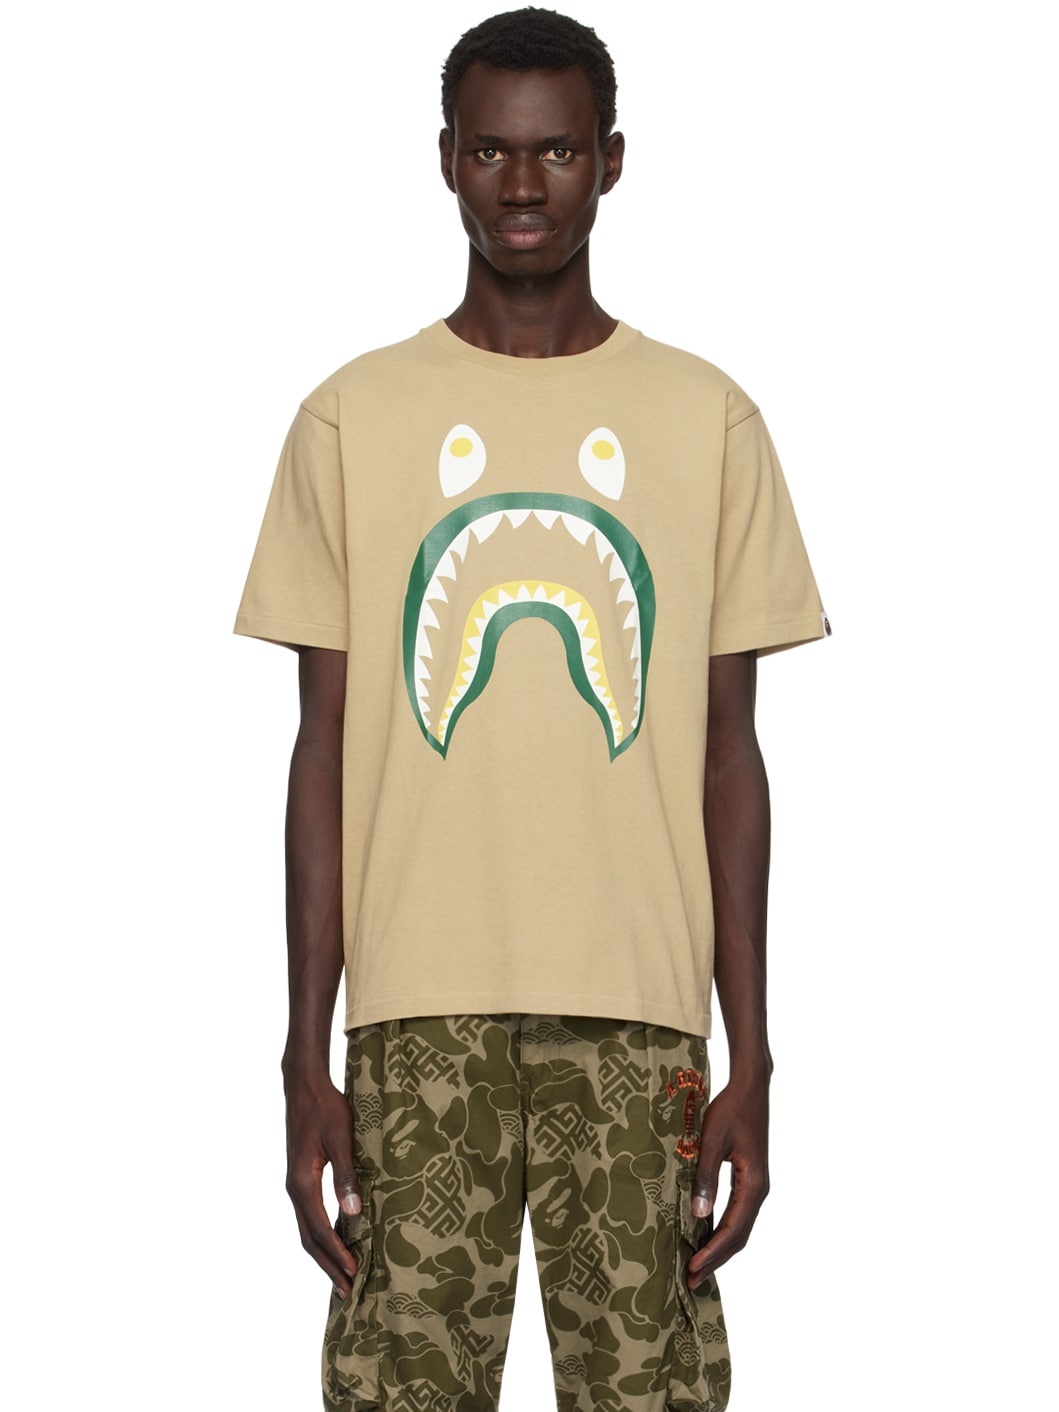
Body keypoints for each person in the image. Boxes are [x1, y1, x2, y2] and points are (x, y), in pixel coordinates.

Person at [233, 8, 830, 1409]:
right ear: (445, 158)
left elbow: (729, 754)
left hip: (640, 1018)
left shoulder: (707, 419)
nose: (521, 184)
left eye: (556, 150)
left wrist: (751, 1055)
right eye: (492, 150)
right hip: (412, 1019)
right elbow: (322, 753)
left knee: (649, 1393)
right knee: (401, 1392)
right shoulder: (350, 417)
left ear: (611, 161)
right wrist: (304, 1053)